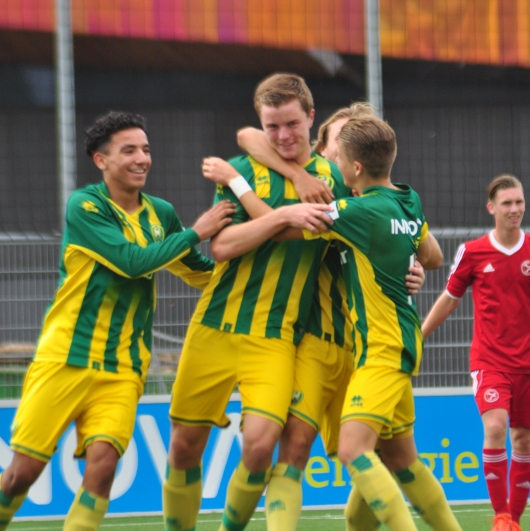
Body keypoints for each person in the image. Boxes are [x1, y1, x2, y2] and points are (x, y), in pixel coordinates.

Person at [0, 111, 234, 531]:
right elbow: (130, 262)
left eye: (145, 149)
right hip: (65, 359)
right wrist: (196, 230)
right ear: (101, 160)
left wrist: (253, 252)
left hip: (124, 368)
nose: (142, 158)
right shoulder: (85, 205)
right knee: (22, 475)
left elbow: (198, 271)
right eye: (129, 150)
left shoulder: (160, 213)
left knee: (103, 468)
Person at [203, 101, 432, 531]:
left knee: (390, 457)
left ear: (358, 161)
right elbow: (249, 136)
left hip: (367, 352)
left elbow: (427, 249)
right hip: (318, 344)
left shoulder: (367, 205)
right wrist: (296, 174)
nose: (343, 150)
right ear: (324, 149)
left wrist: (414, 267)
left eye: (353, 140)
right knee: (294, 449)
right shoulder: (326, 189)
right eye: (339, 139)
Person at [161, 73, 342, 531]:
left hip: (276, 338)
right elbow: (222, 246)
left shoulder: (331, 180)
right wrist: (283, 210)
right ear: (262, 125)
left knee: (260, 447)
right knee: (184, 446)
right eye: (272, 126)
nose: (282, 136)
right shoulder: (243, 168)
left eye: (292, 125)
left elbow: (323, 236)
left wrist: (408, 270)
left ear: (311, 119)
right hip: (215, 328)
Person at [277, 115, 461, 531]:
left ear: (355, 168)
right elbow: (427, 252)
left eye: (340, 158)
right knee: (396, 463)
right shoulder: (407, 198)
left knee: (353, 450)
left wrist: (242, 190)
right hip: (396, 342)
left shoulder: (357, 211)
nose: (336, 165)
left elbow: (284, 228)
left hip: (381, 348)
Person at [421, 174, 530, 531]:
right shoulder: (472, 252)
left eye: (519, 202)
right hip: (490, 360)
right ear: (492, 208)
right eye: (507, 203)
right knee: (496, 426)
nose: (515, 209)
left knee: (523, 438)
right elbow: (449, 299)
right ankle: (501, 515)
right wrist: (418, 335)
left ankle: (513, 521)